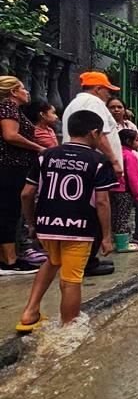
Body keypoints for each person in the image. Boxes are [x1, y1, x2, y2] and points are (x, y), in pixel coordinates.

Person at [16, 110, 117, 331]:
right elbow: (102, 202)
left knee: (52, 261)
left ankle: (30, 311)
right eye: (100, 135)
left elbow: (26, 193)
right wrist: (107, 236)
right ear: (93, 132)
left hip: (47, 226)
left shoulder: (46, 156)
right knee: (71, 279)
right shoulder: (98, 162)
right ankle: (68, 330)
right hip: (78, 229)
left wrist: (32, 223)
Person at [62, 71, 123, 277]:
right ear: (98, 89)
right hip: (93, 164)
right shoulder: (93, 103)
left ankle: (87, 259)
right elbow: (101, 136)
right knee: (97, 209)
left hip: (79, 164)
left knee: (84, 209)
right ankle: (89, 261)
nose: (108, 96)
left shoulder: (75, 104)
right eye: (107, 91)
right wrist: (114, 161)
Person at [0, 76, 45, 276]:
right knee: (9, 210)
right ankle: (9, 260)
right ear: (13, 92)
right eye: (23, 88)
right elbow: (10, 135)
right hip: (10, 165)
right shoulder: (9, 106)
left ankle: (8, 257)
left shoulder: (12, 109)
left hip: (13, 165)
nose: (27, 92)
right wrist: (38, 148)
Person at [107, 97, 138, 244]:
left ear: (124, 109)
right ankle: (116, 238)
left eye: (119, 107)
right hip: (114, 171)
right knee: (118, 209)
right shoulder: (107, 127)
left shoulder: (129, 125)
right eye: (112, 107)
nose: (116, 109)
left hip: (130, 169)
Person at [110, 129, 138, 252]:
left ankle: (115, 241)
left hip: (112, 189)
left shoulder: (115, 153)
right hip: (124, 191)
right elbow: (133, 178)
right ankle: (122, 245)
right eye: (136, 140)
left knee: (115, 216)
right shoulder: (130, 156)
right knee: (123, 217)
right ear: (128, 141)